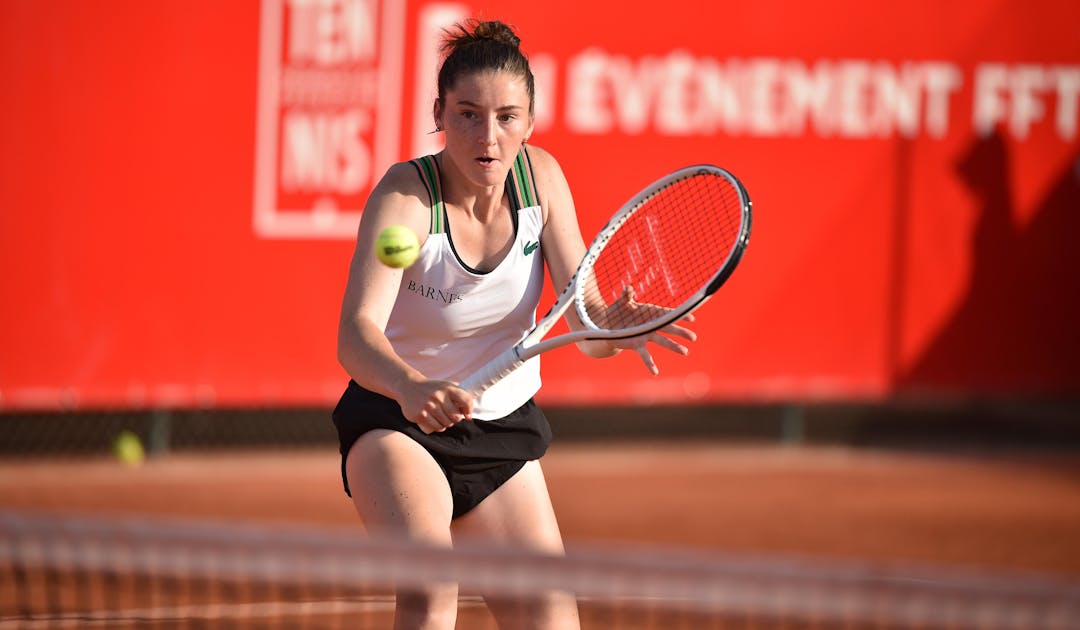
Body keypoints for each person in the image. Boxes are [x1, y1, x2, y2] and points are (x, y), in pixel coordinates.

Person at [332, 19, 696, 630]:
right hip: (397, 424)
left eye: (507, 116)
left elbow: (587, 321)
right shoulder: (405, 197)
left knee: (553, 621)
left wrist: (615, 325)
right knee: (430, 590)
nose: (488, 135)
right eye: (468, 114)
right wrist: (410, 387)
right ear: (439, 113)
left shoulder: (542, 181)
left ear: (529, 122)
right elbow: (355, 335)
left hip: (501, 434)